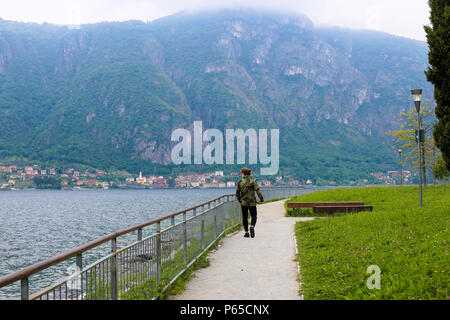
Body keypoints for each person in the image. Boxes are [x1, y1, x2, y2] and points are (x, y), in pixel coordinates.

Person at [236, 168, 264, 238]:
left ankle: (246, 232)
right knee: (254, 216)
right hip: (252, 202)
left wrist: (240, 200)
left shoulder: (239, 182)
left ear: (243, 174)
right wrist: (261, 199)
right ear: (249, 174)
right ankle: (252, 226)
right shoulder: (253, 181)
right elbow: (258, 191)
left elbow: (237, 193)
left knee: (245, 217)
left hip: (244, 203)